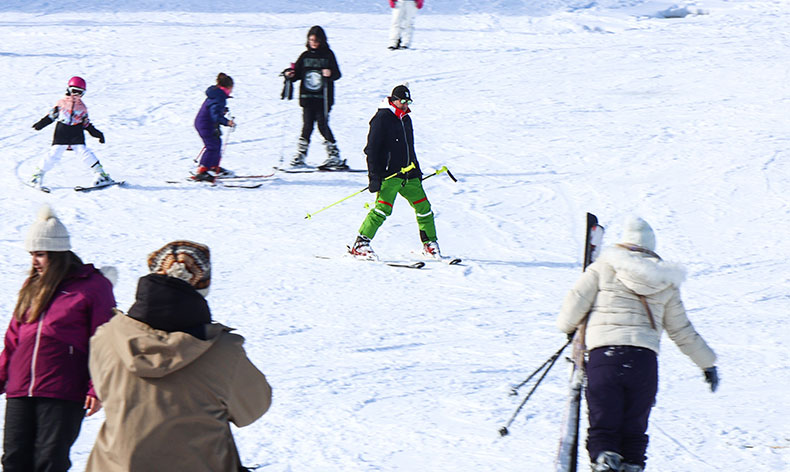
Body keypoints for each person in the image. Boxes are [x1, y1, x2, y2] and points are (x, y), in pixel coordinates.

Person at [86, 240, 272, 472]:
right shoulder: (223, 352)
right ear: (201, 288)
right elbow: (254, 408)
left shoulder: (106, 337)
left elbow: (105, 390)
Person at [557, 216, 719, 472]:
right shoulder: (666, 282)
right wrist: (707, 364)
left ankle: (604, 462)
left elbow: (573, 305)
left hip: (605, 358)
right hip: (643, 363)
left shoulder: (602, 268)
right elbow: (682, 331)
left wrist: (568, 329)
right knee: (634, 428)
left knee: (604, 425)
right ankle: (632, 466)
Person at [0, 204, 115, 472]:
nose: (34, 262)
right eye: (32, 254)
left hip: (63, 389)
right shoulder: (32, 286)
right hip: (21, 388)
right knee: (13, 459)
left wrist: (97, 388)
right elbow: (14, 340)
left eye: (40, 254)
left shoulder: (93, 287)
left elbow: (105, 342)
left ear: (57, 253)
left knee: (49, 461)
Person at [350, 84, 442, 261]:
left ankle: (429, 244)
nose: (406, 105)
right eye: (403, 101)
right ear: (393, 100)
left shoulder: (406, 119)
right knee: (382, 210)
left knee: (424, 208)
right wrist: (374, 177)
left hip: (410, 175)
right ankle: (360, 244)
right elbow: (371, 150)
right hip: (390, 175)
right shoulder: (381, 119)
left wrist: (417, 169)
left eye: (408, 102)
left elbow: (410, 148)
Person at [29, 76, 115, 189]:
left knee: (83, 152)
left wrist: (97, 134)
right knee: (54, 153)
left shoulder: (82, 108)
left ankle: (101, 175)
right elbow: (52, 116)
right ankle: (37, 176)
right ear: (69, 89)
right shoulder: (61, 103)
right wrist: (41, 124)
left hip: (76, 132)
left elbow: (86, 124)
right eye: (74, 91)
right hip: (62, 131)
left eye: (79, 92)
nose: (76, 95)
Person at [284, 25, 345, 170]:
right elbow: (297, 73)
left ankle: (334, 155)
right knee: (307, 126)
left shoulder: (328, 55)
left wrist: (330, 73)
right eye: (311, 40)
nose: (313, 43)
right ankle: (301, 155)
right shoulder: (305, 56)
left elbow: (337, 74)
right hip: (307, 97)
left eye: (316, 40)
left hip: (323, 98)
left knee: (322, 125)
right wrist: (289, 74)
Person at [193, 73, 237, 182]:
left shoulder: (217, 94)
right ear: (229, 87)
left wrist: (222, 111)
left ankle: (213, 167)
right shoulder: (219, 97)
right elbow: (215, 115)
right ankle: (203, 170)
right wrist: (227, 122)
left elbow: (213, 109)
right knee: (212, 146)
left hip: (206, 123)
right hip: (205, 124)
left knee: (217, 143)